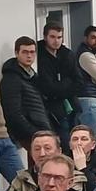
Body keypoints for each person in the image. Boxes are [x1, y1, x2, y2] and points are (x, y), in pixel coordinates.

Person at [1, 131, 85, 191]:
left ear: (59, 151)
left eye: (47, 148)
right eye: (37, 149)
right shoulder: (21, 179)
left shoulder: (75, 178)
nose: (42, 154)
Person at [0, 36, 51, 150]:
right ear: (16, 53)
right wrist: (34, 133)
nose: (29, 56)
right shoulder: (11, 78)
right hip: (27, 134)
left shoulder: (33, 77)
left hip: (40, 129)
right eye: (25, 52)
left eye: (32, 52)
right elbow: (13, 113)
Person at [36, 21, 81, 150]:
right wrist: (67, 84)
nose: (56, 41)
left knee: (76, 143)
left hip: (72, 106)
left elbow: (79, 82)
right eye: (53, 37)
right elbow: (48, 88)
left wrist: (61, 87)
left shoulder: (67, 54)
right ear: (45, 37)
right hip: (54, 110)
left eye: (59, 37)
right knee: (63, 144)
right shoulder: (39, 56)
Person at [74, 26, 96, 136]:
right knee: (91, 138)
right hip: (89, 100)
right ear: (86, 38)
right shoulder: (85, 55)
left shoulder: (89, 54)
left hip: (95, 100)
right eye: (93, 38)